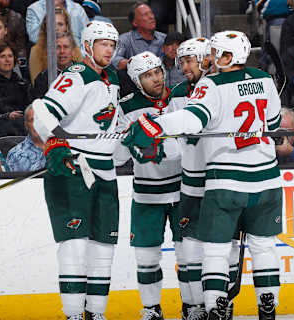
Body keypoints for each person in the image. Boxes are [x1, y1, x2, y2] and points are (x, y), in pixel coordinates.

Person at [122, 30, 283, 320]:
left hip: (225, 179)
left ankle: (216, 309)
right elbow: (272, 121)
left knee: (216, 250)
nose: (210, 57)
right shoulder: (263, 78)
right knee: (264, 246)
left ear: (228, 56)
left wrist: (153, 126)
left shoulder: (211, 84)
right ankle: (267, 306)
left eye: (215, 53)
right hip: (268, 177)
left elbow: (193, 119)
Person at [32, 20, 120, 320]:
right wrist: (55, 144)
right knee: (74, 247)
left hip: (105, 172)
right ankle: (72, 315)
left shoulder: (113, 80)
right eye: (103, 44)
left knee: (103, 248)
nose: (108, 49)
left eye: (112, 44)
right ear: (87, 46)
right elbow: (43, 111)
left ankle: (96, 313)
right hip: (74, 169)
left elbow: (109, 128)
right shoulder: (77, 74)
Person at [113, 50, 188, 320]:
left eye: (157, 71)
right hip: (147, 194)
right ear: (136, 80)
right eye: (147, 75)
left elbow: (187, 146)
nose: (156, 78)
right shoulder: (127, 107)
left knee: (189, 255)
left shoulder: (181, 97)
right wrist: (127, 139)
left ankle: (192, 307)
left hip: (183, 191)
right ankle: (151, 309)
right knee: (146, 259)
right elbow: (117, 157)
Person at [170, 37, 239, 320]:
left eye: (189, 60)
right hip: (190, 182)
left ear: (206, 60)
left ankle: (221, 302)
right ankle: (194, 305)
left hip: (220, 180)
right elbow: (174, 140)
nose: (184, 66)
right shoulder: (176, 93)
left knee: (226, 247)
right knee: (190, 250)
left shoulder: (221, 87)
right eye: (181, 61)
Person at [28, 6, 82, 83]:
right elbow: (36, 83)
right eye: (52, 24)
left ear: (66, 27)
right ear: (45, 27)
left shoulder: (75, 49)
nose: (56, 28)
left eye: (60, 24)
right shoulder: (36, 51)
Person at [111, 2, 165, 71]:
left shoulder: (164, 38)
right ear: (135, 22)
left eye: (151, 13)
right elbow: (114, 59)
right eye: (145, 14)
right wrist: (137, 63)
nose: (151, 17)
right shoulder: (125, 39)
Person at [31, 32, 80, 99]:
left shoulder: (84, 74)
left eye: (66, 47)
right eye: (58, 47)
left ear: (73, 52)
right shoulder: (42, 78)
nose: (62, 51)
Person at [6, 104, 45, 171]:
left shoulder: (65, 148)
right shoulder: (15, 154)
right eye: (32, 120)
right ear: (26, 125)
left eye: (40, 120)